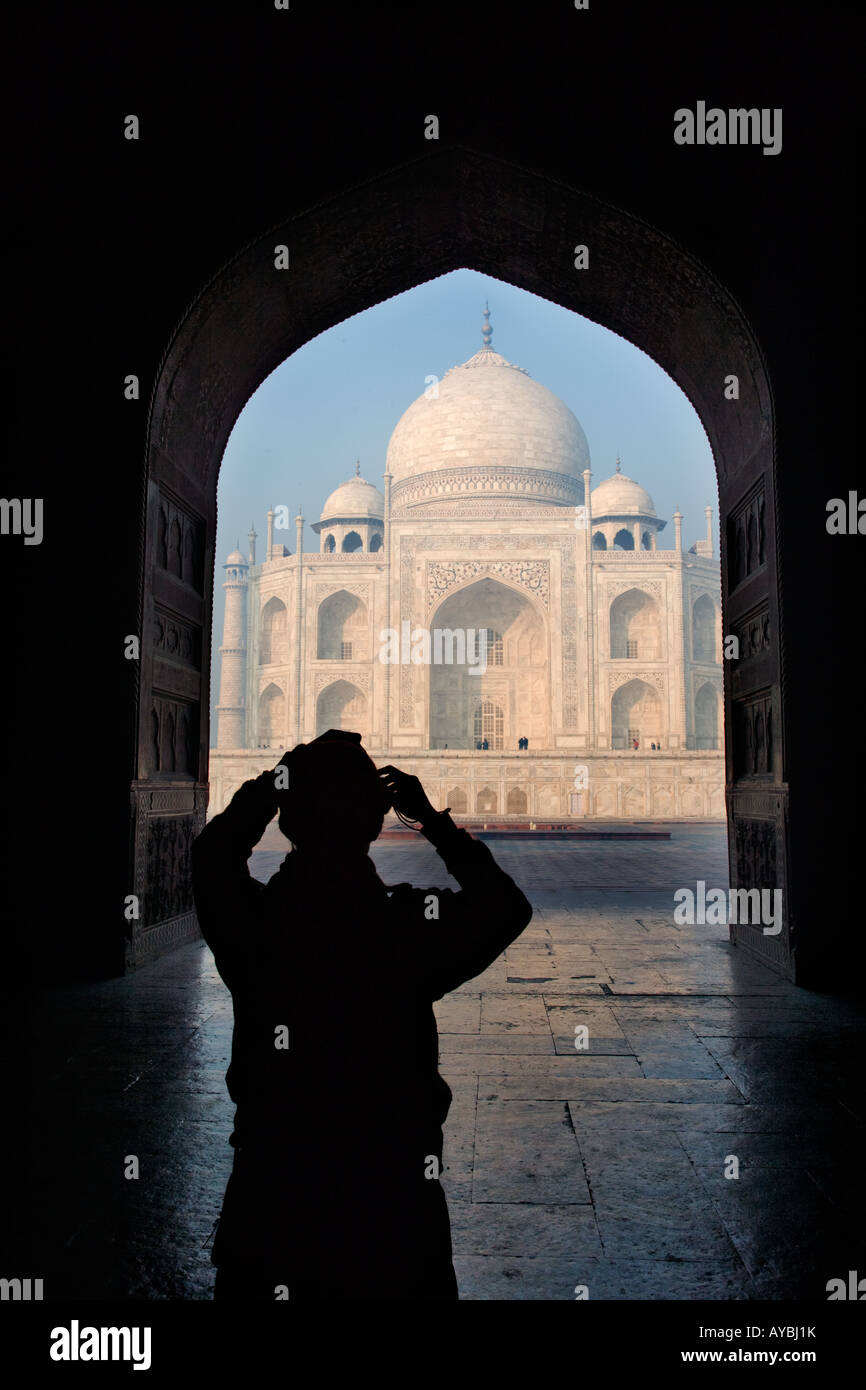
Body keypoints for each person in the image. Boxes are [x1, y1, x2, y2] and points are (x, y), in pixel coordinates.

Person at [191, 729, 532, 1302]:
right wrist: (431, 820)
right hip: (392, 1190)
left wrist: (274, 783)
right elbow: (504, 907)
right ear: (378, 820)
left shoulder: (258, 925)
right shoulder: (405, 927)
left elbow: (211, 856)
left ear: (286, 819)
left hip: (276, 1185)